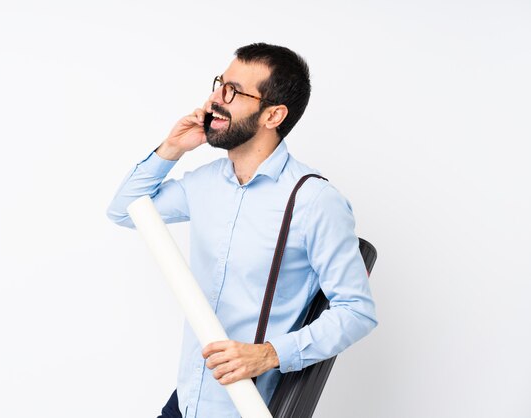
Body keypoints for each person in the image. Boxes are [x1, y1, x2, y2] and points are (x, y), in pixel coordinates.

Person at [107, 43, 377, 418]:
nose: (215, 99)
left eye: (233, 91)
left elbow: (357, 311)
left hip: (245, 407)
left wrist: (269, 354)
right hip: (187, 400)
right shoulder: (203, 184)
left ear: (273, 115)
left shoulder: (314, 200)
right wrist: (172, 146)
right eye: (220, 84)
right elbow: (124, 211)